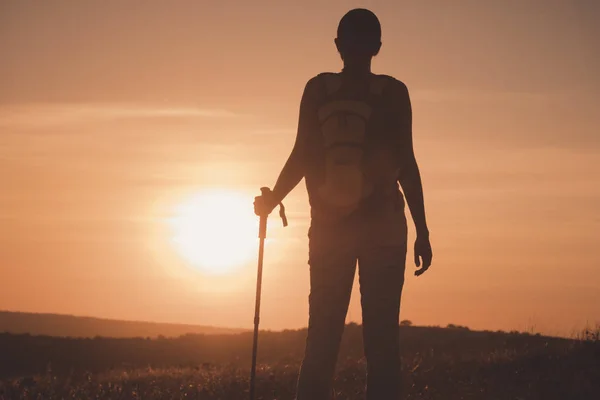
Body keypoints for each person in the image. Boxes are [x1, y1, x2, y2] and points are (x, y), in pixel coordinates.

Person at [254, 8, 432, 400]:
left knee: (321, 340)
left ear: (338, 45)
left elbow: (301, 153)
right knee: (383, 344)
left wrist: (273, 200)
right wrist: (423, 230)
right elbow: (406, 162)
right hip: (384, 228)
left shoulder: (318, 90)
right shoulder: (394, 93)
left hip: (330, 228)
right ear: (378, 47)